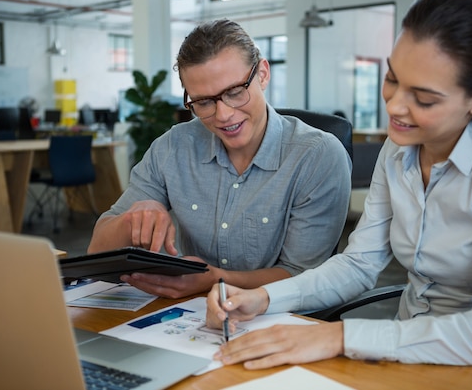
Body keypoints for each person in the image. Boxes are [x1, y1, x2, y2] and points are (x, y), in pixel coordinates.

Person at [205, 0, 472, 374]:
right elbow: (359, 264)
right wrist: (264, 298)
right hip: (404, 356)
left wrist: (340, 337)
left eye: (424, 98)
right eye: (393, 79)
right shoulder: (400, 149)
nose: (395, 106)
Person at [87, 19, 352, 299]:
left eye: (235, 93)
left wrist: (216, 281)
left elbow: (303, 275)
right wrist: (134, 217)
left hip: (281, 319)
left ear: (262, 74)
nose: (223, 115)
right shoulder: (173, 147)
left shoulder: (317, 156)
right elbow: (97, 251)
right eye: (203, 102)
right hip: (194, 318)